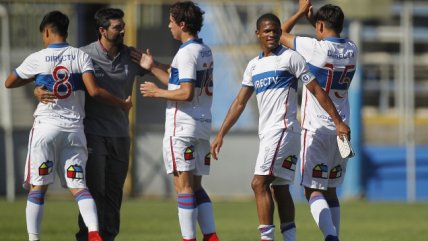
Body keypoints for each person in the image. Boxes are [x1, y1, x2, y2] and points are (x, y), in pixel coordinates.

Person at [211, 13, 350, 241]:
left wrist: (337, 121)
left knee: (258, 183)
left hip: (284, 129)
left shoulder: (291, 58)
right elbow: (239, 102)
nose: (272, 35)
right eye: (266, 31)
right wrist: (221, 134)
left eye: (276, 30)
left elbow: (316, 89)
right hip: (268, 133)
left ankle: (267, 238)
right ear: (257, 34)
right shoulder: (254, 65)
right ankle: (291, 238)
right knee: (279, 188)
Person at [4, 10, 132, 241]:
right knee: (80, 188)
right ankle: (94, 233)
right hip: (74, 132)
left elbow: (9, 82)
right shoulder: (80, 56)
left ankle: (34, 238)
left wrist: (37, 82)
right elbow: (93, 90)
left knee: (38, 188)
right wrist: (122, 104)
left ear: (46, 32)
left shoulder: (38, 57)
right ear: (66, 31)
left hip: (46, 128)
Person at [34, 8, 146, 241]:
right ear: (102, 31)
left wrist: (155, 65)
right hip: (92, 134)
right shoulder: (83, 55)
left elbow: (168, 73)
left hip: (121, 136)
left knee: (114, 195)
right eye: (117, 27)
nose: (123, 30)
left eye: (123, 26)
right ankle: (86, 237)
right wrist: (37, 89)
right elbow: (56, 78)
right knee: (94, 192)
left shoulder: (131, 56)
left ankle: (109, 237)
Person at [131, 1, 219, 241]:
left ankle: (188, 238)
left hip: (182, 127)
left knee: (184, 187)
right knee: (197, 187)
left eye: (171, 21)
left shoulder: (186, 53)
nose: (168, 25)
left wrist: (156, 92)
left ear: (182, 24)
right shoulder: (203, 50)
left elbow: (186, 92)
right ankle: (211, 237)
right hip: (201, 125)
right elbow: (176, 78)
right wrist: (153, 67)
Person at [280, 1, 358, 241]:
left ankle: (331, 237)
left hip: (316, 128)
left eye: (317, 27)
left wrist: (301, 13)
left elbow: (279, 33)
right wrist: (317, 22)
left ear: (321, 25)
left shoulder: (314, 48)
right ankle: (336, 236)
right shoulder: (352, 48)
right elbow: (328, 39)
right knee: (331, 190)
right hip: (341, 128)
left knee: (311, 189)